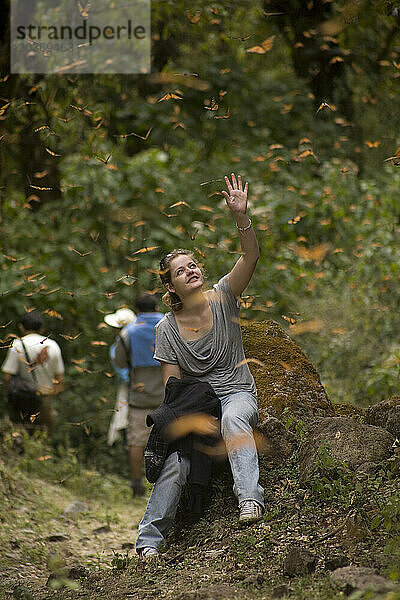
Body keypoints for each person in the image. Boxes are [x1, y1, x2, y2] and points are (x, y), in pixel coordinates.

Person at [136, 173, 264, 561]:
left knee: (235, 420)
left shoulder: (225, 296)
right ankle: (147, 544)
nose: (192, 270)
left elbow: (250, 256)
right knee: (177, 462)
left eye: (193, 265)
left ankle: (250, 501)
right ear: (170, 287)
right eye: (181, 270)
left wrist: (241, 216)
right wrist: (175, 432)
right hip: (198, 405)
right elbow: (174, 392)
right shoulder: (165, 330)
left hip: (237, 392)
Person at [114, 294, 164, 497]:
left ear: (137, 310)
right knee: (171, 440)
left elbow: (118, 362)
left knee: (136, 441)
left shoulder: (127, 333)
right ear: (157, 306)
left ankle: (136, 485)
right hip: (166, 396)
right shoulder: (169, 325)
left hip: (139, 398)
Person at [1, 310, 65, 437]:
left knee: (20, 435)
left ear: (22, 327)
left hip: (22, 400)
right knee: (44, 437)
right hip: (44, 399)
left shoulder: (17, 345)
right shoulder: (53, 346)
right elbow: (60, 379)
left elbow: (7, 377)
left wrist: (8, 397)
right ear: (42, 328)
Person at [104, 308, 137, 446]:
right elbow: (123, 373)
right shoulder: (116, 348)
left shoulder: (121, 346)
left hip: (135, 390)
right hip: (132, 389)